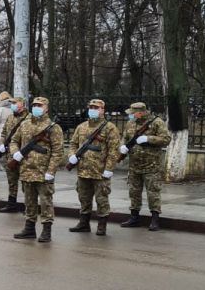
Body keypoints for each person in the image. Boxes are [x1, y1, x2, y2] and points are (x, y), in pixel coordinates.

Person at [9, 96, 64, 241]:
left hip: (43, 172)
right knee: (29, 201)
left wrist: (51, 171)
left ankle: (46, 230)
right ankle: (29, 229)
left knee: (46, 202)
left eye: (40, 105)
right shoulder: (25, 124)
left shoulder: (53, 127)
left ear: (46, 108)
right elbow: (14, 141)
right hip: (26, 170)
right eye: (34, 105)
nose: (36, 108)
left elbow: (58, 152)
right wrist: (15, 153)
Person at [65, 98, 121, 236]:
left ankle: (102, 225)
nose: (93, 110)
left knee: (102, 199)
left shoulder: (110, 128)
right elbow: (73, 144)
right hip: (83, 170)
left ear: (103, 110)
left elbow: (114, 150)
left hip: (100, 171)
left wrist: (109, 168)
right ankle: (84, 223)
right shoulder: (81, 127)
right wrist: (71, 155)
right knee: (84, 198)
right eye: (91, 107)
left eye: (96, 108)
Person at [119, 101, 172, 231]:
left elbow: (166, 139)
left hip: (152, 166)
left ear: (141, 113)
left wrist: (149, 139)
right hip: (134, 165)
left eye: (133, 113)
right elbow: (125, 137)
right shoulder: (131, 123)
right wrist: (122, 146)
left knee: (153, 192)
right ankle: (134, 217)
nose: (131, 116)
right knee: (134, 192)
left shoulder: (157, 122)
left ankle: (155, 219)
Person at [0, 95, 29, 213]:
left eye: (15, 103)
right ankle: (11, 204)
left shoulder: (29, 118)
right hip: (10, 155)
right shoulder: (10, 117)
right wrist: (1, 143)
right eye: (12, 103)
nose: (13, 105)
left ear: (22, 104)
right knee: (11, 181)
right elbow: (4, 133)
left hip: (24, 156)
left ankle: (29, 207)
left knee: (26, 182)